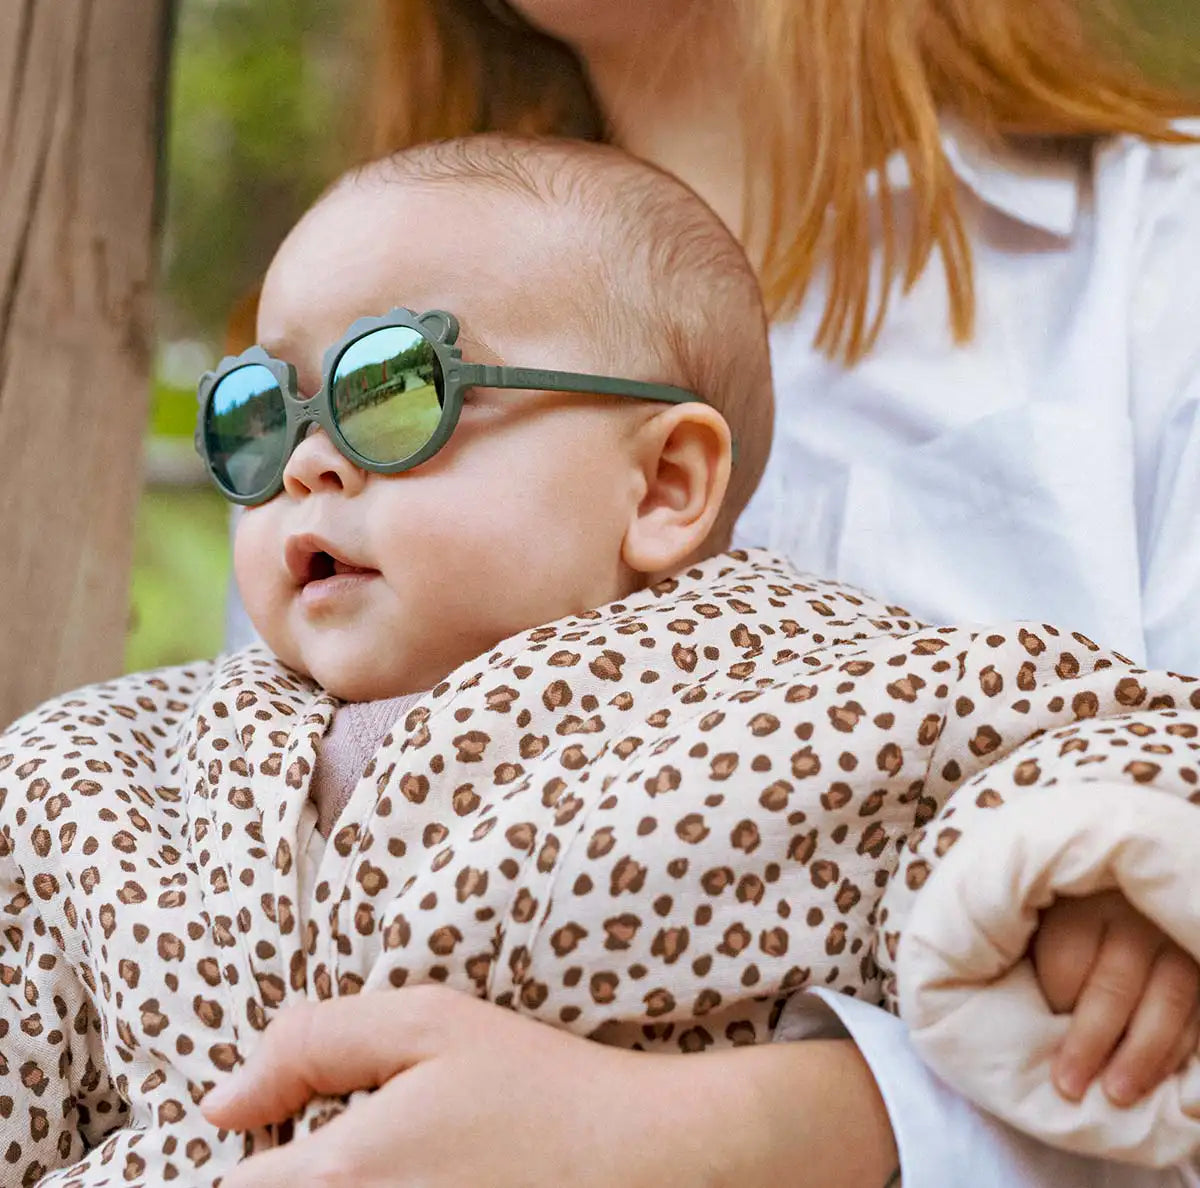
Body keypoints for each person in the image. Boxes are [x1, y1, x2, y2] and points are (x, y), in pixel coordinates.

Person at [4, 136, 1199, 1187]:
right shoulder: (119, 771)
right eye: (261, 415)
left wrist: (1100, 868)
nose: (308, 463)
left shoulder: (790, 692)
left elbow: (1072, 725)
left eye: (392, 390)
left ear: (664, 486)